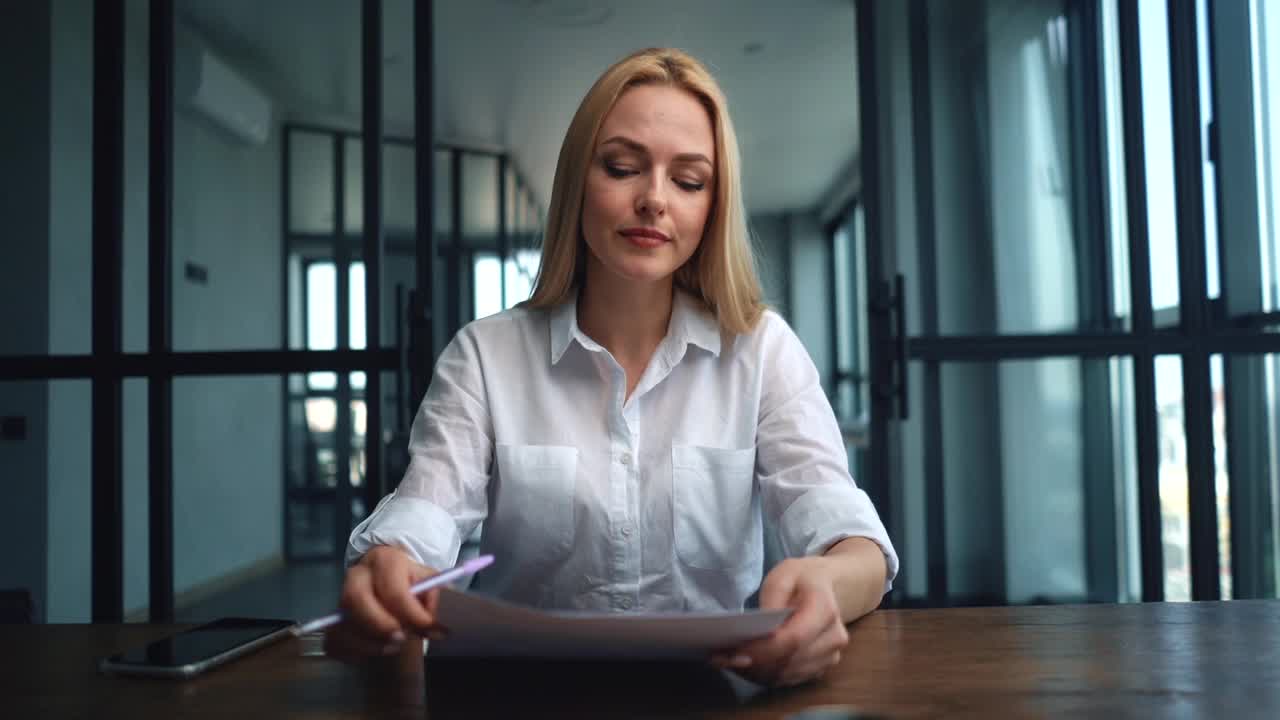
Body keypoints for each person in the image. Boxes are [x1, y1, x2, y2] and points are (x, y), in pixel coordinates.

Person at [325, 47, 898, 688]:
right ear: (579, 182)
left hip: (719, 692)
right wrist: (389, 559)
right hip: (526, 698)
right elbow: (425, 512)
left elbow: (851, 539)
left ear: (713, 206)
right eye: (623, 167)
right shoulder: (485, 355)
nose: (653, 200)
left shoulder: (761, 350)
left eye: (688, 181)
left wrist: (827, 583)